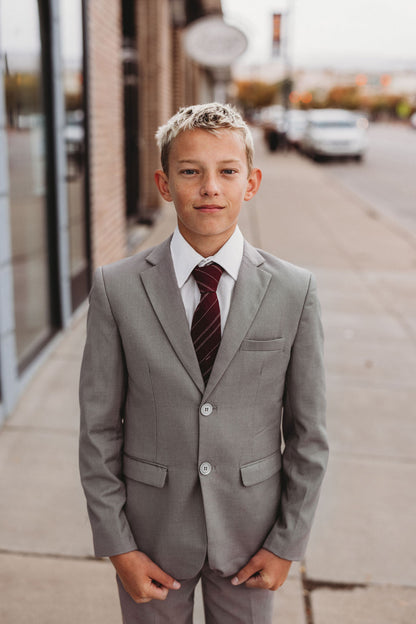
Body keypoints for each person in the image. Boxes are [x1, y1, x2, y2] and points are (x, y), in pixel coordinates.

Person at [79, 102, 329, 623]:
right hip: (151, 538)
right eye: (190, 171)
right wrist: (118, 546)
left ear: (251, 182)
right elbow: (99, 430)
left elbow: (309, 435)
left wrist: (288, 543)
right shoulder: (117, 288)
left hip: (252, 539)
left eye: (227, 171)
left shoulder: (293, 290)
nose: (209, 187)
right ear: (165, 184)